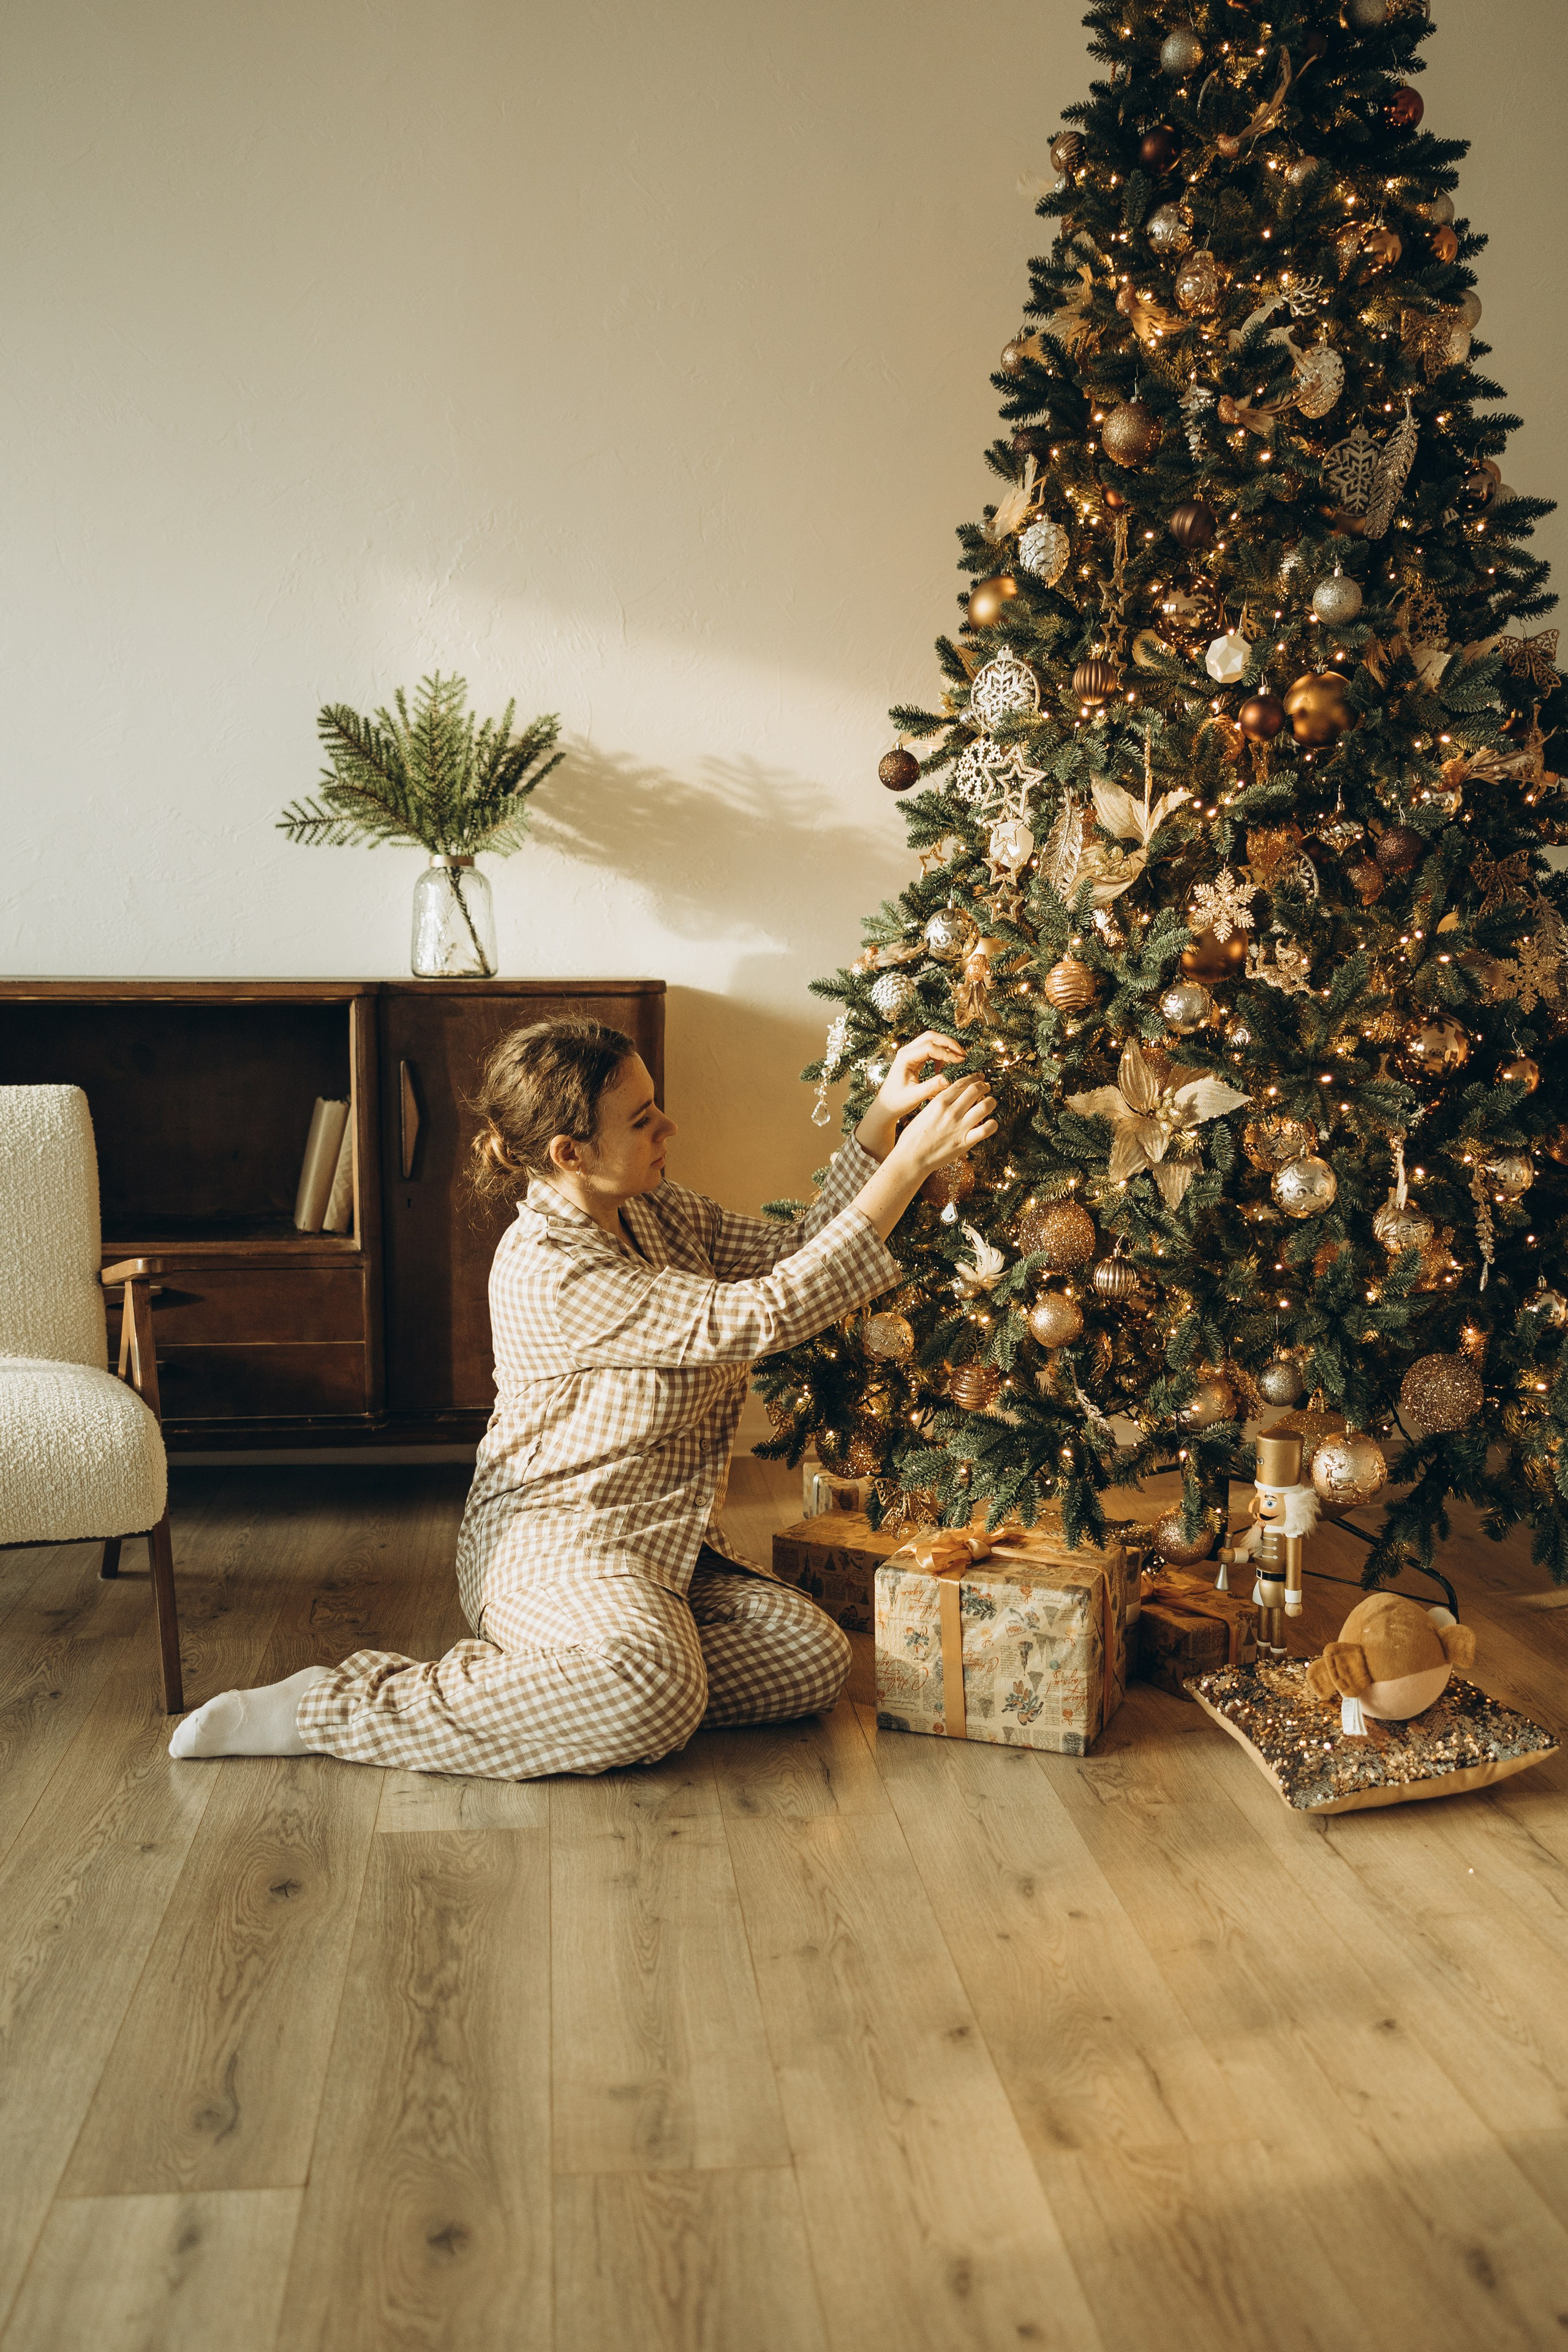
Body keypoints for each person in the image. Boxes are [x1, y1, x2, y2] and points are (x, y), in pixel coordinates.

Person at [169, 1018, 995, 1777]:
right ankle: (331, 1705)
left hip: (663, 1547)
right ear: (569, 1152)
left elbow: (794, 1252)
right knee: (653, 1691)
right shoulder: (552, 1269)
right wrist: (909, 1167)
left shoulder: (655, 1210)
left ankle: (578, 1684)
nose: (668, 1128)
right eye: (642, 1121)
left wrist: (880, 1121)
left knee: (810, 1658)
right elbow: (764, 1314)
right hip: (558, 1546)